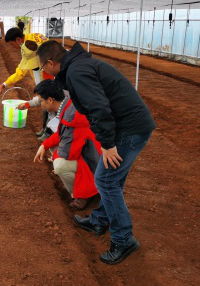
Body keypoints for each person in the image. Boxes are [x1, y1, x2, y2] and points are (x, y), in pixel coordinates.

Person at [37, 40, 156, 265]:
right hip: (128, 126)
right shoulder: (78, 66)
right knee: (112, 179)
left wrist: (108, 144)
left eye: (43, 67)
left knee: (105, 180)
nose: (43, 71)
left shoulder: (77, 71)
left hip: (129, 130)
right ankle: (100, 220)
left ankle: (123, 239)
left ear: (51, 63)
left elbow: (99, 107)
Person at [32, 79, 101, 210]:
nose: (41, 105)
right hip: (91, 151)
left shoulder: (72, 117)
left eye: (41, 101)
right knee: (53, 147)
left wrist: (56, 157)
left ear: (50, 100)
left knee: (60, 166)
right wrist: (44, 145)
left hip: (94, 161)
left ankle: (83, 195)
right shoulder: (69, 104)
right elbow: (61, 133)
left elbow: (69, 154)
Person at [0, 28, 50, 95]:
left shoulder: (28, 48)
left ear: (18, 39)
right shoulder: (35, 36)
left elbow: (21, 72)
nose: (12, 47)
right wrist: (4, 84)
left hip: (48, 75)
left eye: (12, 44)